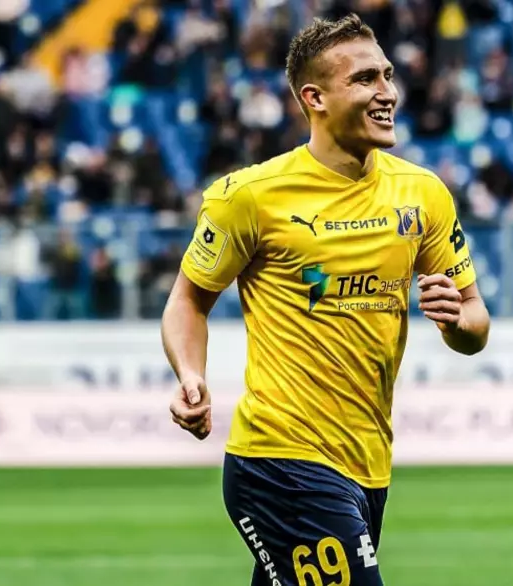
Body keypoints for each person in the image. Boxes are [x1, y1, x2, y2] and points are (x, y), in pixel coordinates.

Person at [160, 14, 490, 586]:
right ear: (314, 98)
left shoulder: (424, 194)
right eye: (364, 79)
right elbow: (188, 300)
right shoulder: (250, 197)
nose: (387, 92)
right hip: (281, 459)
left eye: (387, 75)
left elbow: (475, 322)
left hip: (367, 464)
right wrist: (191, 374)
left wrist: (457, 323)